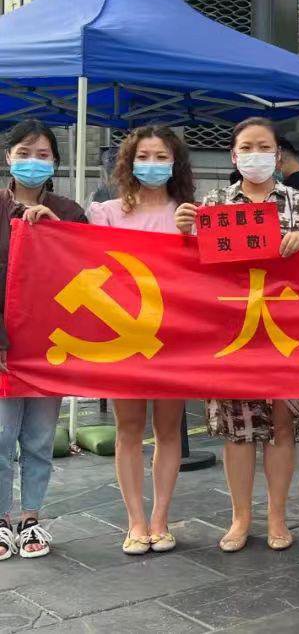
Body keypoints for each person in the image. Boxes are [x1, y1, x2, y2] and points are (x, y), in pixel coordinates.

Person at [175, 117, 299, 553]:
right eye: (247, 147)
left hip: (283, 327)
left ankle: (277, 515)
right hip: (234, 329)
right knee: (237, 429)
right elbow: (194, 263)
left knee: (281, 424)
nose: (256, 155)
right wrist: (184, 230)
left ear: (278, 154)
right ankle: (240, 517)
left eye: (264, 147)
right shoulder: (216, 202)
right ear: (234, 156)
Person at [89, 126, 195, 555]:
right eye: (144, 157)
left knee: (169, 430)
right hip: (125, 335)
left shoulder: (189, 214)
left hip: (175, 337)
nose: (152, 164)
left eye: (161, 157)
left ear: (175, 163)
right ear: (129, 163)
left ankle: (160, 519)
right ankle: (135, 520)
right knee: (128, 428)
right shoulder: (106, 212)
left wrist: (193, 233)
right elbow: (87, 260)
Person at [0, 119, 87, 560]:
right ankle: (1, 520)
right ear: (8, 157)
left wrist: (58, 232)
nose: (32, 162)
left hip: (51, 344)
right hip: (3, 343)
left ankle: (31, 517)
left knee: (38, 439)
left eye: (42, 154)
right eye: (24, 153)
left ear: (54, 162)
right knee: (1, 436)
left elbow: (90, 269)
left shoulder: (69, 211)